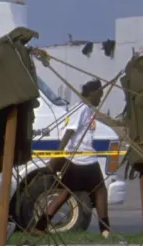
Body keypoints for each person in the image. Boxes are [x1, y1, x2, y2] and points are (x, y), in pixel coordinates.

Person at [36, 79, 112, 237]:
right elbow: (69, 132)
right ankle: (105, 230)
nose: (100, 99)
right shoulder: (81, 109)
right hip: (84, 160)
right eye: (100, 95)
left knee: (65, 193)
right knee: (100, 191)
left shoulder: (85, 109)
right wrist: (55, 158)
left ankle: (40, 226)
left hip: (76, 159)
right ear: (92, 94)